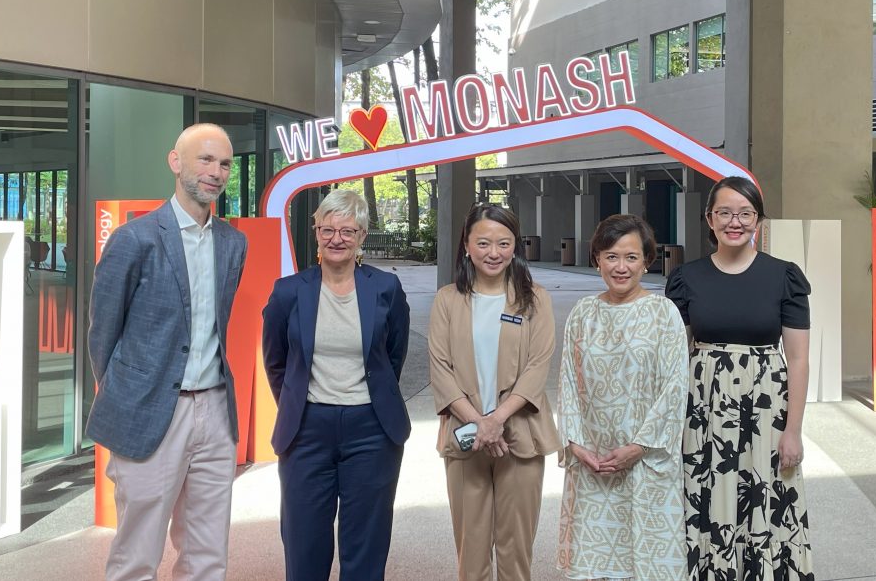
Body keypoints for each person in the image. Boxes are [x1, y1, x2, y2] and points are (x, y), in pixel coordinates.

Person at [87, 123, 248, 581]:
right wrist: (133, 395)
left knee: (207, 552)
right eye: (205, 159)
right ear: (175, 162)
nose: (216, 172)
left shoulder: (233, 243)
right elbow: (103, 336)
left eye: (224, 164)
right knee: (137, 554)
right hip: (152, 410)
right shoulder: (133, 239)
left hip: (216, 411)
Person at [665, 175, 814, 579]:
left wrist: (793, 430)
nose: (735, 221)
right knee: (707, 497)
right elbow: (676, 355)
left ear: (758, 221)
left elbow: (797, 360)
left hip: (766, 413)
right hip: (704, 412)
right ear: (709, 219)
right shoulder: (685, 278)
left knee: (764, 498)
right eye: (725, 213)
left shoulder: (784, 276)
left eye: (745, 213)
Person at [262, 189, 410, 581]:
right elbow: (276, 362)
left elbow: (392, 357)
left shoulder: (385, 289)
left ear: (362, 235)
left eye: (347, 230)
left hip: (372, 431)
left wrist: (368, 400)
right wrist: (298, 404)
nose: (336, 239)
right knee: (303, 540)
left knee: (366, 542)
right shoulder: (289, 291)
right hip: (306, 430)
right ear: (316, 233)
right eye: (327, 229)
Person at [428, 203, 559, 581]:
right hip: (465, 438)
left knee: (516, 550)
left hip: (521, 436)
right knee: (470, 549)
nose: (494, 252)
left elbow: (537, 368)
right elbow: (441, 370)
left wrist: (496, 420)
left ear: (515, 246)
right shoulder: (447, 300)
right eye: (483, 242)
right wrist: (479, 423)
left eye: (504, 243)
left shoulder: (535, 298)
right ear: (466, 245)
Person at [556, 214, 688, 580]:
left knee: (647, 564)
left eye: (632, 257)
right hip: (593, 462)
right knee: (594, 563)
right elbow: (567, 381)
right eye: (611, 256)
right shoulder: (583, 313)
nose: (621, 266)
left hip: (647, 461)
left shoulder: (664, 313)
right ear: (596, 258)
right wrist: (576, 444)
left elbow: (675, 387)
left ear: (647, 261)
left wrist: (639, 447)